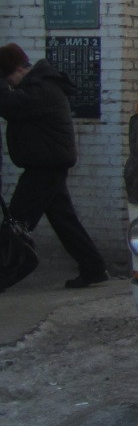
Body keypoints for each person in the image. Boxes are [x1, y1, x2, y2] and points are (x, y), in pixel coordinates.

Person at [0, 42, 108, 288]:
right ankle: (93, 267)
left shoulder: (40, 89)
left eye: (8, 79)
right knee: (64, 221)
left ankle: (4, 272)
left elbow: (8, 105)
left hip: (44, 167)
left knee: (16, 223)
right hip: (47, 164)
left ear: (17, 70)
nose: (10, 85)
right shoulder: (39, 85)